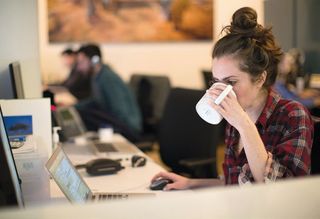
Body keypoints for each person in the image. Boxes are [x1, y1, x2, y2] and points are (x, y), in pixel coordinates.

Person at [151, 7, 313, 189]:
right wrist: (190, 183)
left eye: (230, 82)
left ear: (260, 78)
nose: (222, 92)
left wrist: (244, 125)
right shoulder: (235, 118)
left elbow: (281, 191)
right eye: (217, 82)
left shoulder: (292, 116)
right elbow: (233, 184)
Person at [74, 44, 142, 142]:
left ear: (94, 60)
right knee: (84, 113)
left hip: (128, 128)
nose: (79, 68)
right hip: (120, 123)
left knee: (87, 115)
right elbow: (96, 101)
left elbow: (120, 112)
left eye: (81, 62)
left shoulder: (107, 78)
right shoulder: (98, 76)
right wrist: (75, 106)